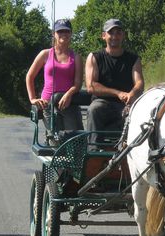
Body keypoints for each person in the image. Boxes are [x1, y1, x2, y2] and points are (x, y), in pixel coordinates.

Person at [85, 18, 144, 146]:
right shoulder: (95, 57)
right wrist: (117, 93)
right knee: (95, 109)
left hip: (126, 106)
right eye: (111, 32)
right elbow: (91, 86)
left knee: (143, 115)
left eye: (118, 32)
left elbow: (139, 83)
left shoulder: (134, 59)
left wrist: (132, 94)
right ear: (103, 36)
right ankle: (94, 152)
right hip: (102, 104)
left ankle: (134, 154)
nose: (114, 36)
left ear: (123, 35)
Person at [26, 19, 84, 142]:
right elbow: (29, 76)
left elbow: (78, 83)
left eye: (66, 31)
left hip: (69, 103)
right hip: (48, 104)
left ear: (71, 33)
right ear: (54, 34)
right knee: (55, 141)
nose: (63, 34)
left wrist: (68, 94)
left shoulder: (77, 57)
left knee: (74, 140)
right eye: (60, 31)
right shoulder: (45, 54)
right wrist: (32, 98)